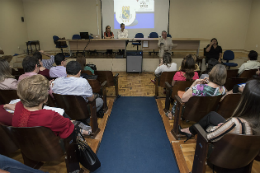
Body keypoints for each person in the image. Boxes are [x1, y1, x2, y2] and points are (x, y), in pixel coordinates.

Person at [179, 79, 260, 143]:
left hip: (221, 154)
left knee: (205, 125)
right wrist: (225, 126)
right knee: (212, 115)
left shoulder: (235, 122)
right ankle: (190, 130)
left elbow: (210, 137)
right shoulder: (255, 121)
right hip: (242, 153)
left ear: (246, 101)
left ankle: (190, 130)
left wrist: (217, 128)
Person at [12, 75, 92, 138]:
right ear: (44, 98)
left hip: (28, 145)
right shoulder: (50, 116)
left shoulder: (18, 106)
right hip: (53, 149)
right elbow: (69, 128)